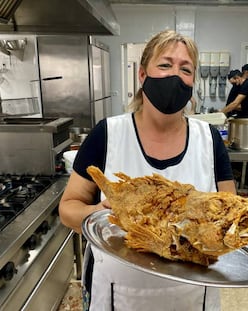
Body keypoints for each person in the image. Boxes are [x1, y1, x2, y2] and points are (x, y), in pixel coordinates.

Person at [59, 29, 236, 311]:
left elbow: (229, 214)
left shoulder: (209, 140)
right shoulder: (108, 134)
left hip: (190, 295)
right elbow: (68, 208)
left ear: (192, 82)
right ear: (142, 75)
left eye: (186, 69)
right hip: (118, 295)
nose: (175, 76)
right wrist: (99, 215)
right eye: (165, 65)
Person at [220, 64, 248, 193]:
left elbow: (234, 103)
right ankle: (243, 180)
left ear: (238, 77)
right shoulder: (240, 86)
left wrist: (220, 113)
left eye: (234, 82)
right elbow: (237, 106)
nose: (234, 85)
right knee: (242, 154)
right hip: (245, 122)